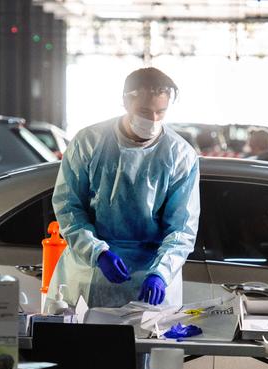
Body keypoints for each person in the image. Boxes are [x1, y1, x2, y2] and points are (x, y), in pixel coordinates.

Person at [48, 67, 200, 309]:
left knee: (150, 344)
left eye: (161, 112)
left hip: (150, 284)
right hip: (91, 274)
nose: (153, 120)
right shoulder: (89, 142)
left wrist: (161, 272)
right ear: (124, 101)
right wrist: (97, 252)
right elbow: (69, 207)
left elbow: (182, 228)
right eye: (144, 111)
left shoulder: (180, 155)